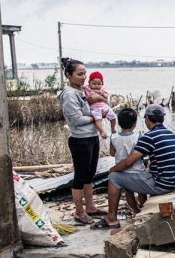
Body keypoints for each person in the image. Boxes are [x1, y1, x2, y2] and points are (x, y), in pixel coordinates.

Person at [92, 104, 175, 229]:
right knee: (141, 172)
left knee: (114, 177)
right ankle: (139, 208)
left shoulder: (149, 137)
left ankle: (111, 218)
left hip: (161, 185)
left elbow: (128, 162)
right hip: (173, 182)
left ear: (147, 118)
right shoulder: (170, 134)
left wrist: (112, 170)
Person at [57, 58, 109, 225]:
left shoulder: (82, 91)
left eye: (85, 73)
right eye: (79, 74)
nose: (83, 77)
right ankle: (79, 212)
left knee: (90, 175)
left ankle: (91, 207)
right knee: (80, 177)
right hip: (80, 140)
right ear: (68, 75)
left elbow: (102, 101)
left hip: (91, 137)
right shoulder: (69, 95)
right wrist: (96, 118)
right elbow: (76, 120)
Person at [109, 108, 146, 214]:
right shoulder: (138, 136)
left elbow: (112, 153)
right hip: (138, 171)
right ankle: (144, 209)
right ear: (134, 124)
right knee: (141, 192)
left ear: (119, 123)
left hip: (122, 174)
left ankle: (135, 210)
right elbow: (142, 153)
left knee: (128, 193)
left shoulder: (113, 137)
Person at [83, 71, 116, 139]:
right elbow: (82, 85)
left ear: (102, 83)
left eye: (99, 84)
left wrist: (103, 94)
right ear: (89, 83)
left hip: (104, 106)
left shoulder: (102, 89)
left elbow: (107, 96)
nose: (96, 86)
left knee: (113, 116)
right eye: (94, 83)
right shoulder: (87, 88)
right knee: (98, 119)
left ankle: (113, 128)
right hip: (94, 108)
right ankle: (102, 131)